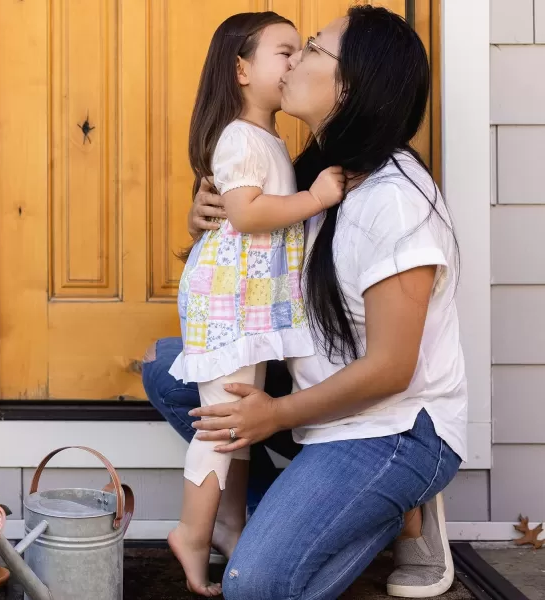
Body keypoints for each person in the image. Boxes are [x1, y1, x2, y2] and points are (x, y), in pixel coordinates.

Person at [143, 6, 467, 599]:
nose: (295, 59)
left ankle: (395, 507)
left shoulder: (395, 202)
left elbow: (392, 369)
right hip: (319, 403)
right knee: (169, 370)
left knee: (255, 585)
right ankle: (309, 511)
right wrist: (207, 226)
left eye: (313, 48)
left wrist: (276, 415)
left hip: (388, 426)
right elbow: (256, 269)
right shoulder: (314, 172)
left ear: (351, 85)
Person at [166, 12, 345, 597]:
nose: (295, 63)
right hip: (229, 307)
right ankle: (191, 534)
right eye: (283, 53)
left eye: (302, 52)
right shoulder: (241, 137)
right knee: (221, 425)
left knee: (239, 418)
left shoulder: (265, 137)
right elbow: (245, 213)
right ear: (241, 70)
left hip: (252, 305)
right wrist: (316, 196)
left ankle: (229, 523)